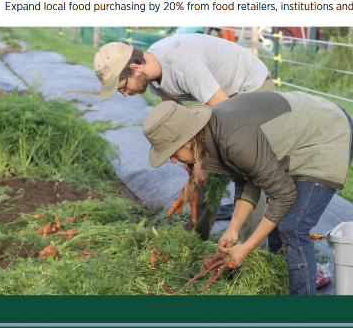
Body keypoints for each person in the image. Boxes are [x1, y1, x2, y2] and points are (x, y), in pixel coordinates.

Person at [141, 91, 353, 295]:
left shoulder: (232, 138)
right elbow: (247, 178)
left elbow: (284, 195)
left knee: (293, 228)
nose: (173, 160)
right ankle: (280, 288)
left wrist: (247, 247)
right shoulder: (212, 137)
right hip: (299, 139)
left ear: (188, 140)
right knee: (275, 228)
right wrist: (233, 229)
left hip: (327, 133)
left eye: (173, 152)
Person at [93, 34, 275, 241]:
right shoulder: (153, 76)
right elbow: (178, 123)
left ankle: (249, 253)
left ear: (135, 68)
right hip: (220, 97)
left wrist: (200, 158)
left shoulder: (183, 64)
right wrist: (195, 161)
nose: (125, 94)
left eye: (123, 88)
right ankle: (195, 242)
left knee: (248, 168)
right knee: (204, 170)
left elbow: (229, 117)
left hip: (250, 90)